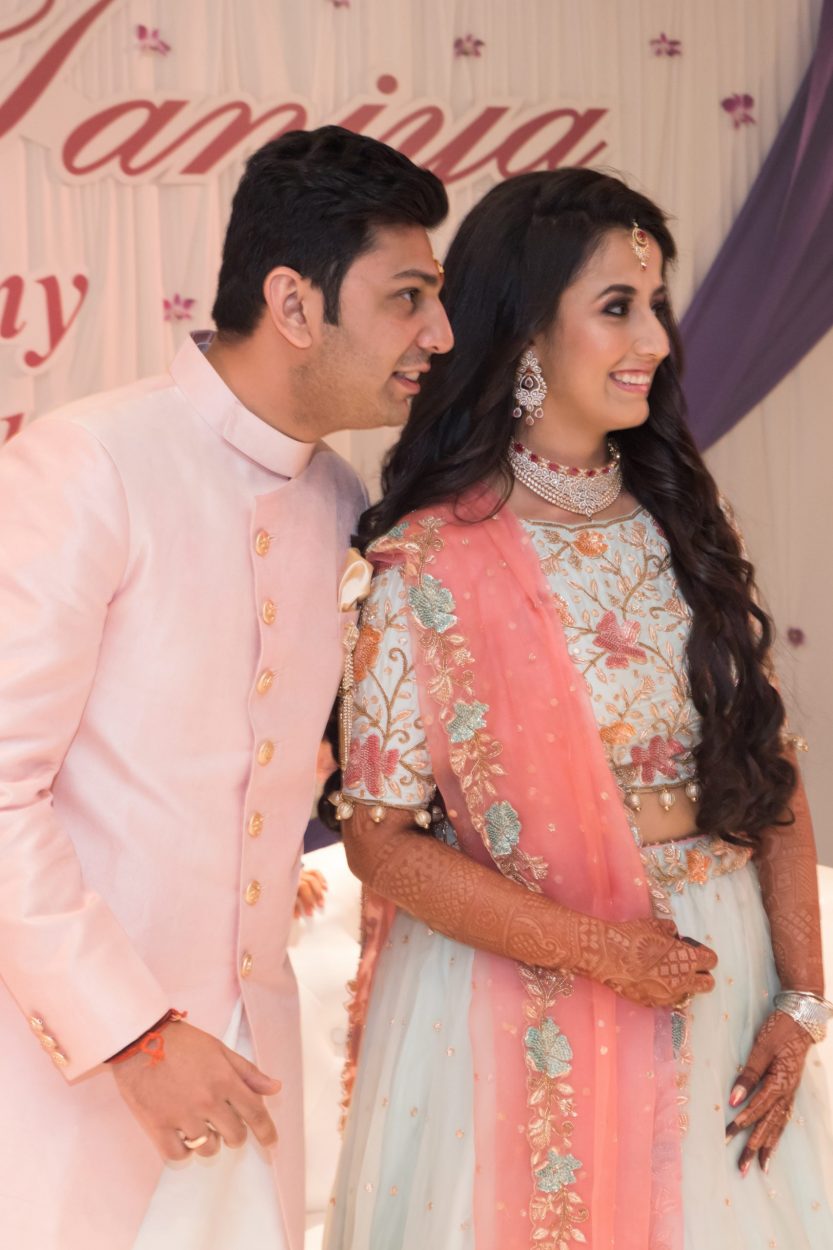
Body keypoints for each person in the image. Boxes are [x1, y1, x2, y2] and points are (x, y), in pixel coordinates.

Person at [324, 169, 833, 1249]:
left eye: (656, 305)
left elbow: (767, 768)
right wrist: (601, 950)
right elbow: (377, 841)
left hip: (719, 975)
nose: (654, 338)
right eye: (616, 307)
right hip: (521, 986)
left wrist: (799, 1001)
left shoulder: (681, 524)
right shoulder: (426, 562)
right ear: (523, 335)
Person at [0, 125, 452, 1250]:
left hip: (251, 1076)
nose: (436, 335)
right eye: (406, 298)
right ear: (293, 303)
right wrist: (134, 1033)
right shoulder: (89, 463)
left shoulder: (339, 499)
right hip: (68, 1079)